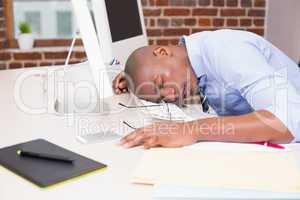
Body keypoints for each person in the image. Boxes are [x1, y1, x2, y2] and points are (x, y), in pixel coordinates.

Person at [113, 29, 300, 149]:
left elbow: (288, 120)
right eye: (161, 98)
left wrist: (191, 130)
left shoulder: (227, 50)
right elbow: (150, 68)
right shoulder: (192, 63)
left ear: (162, 52)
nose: (172, 95)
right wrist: (135, 79)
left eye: (162, 83)